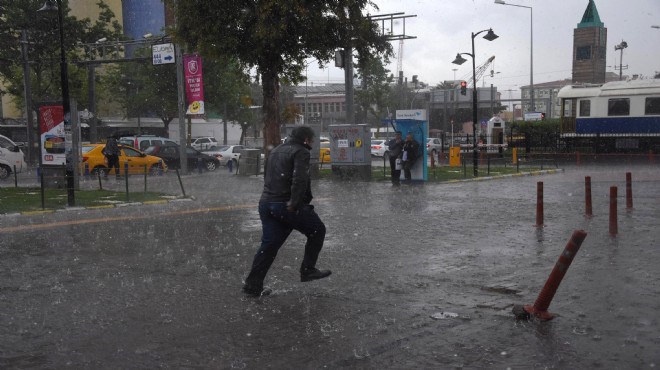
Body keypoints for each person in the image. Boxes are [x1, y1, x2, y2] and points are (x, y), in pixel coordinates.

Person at [242, 126, 331, 297]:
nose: (312, 142)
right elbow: (300, 179)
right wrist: (294, 202)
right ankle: (308, 270)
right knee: (317, 230)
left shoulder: (276, 150)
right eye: (311, 139)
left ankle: (252, 285)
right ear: (306, 139)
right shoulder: (301, 152)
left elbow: (267, 176)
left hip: (267, 204)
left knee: (269, 246)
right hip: (285, 204)